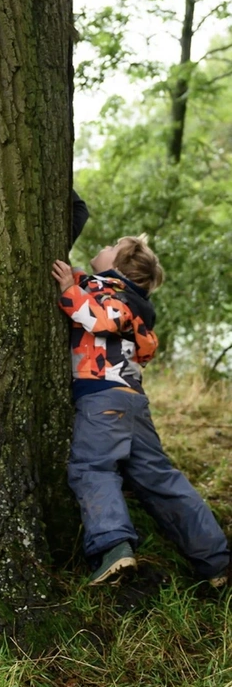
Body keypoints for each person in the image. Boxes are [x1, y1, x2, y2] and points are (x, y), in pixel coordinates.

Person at [52, 235, 230, 586]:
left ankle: (113, 545)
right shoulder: (131, 300)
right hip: (132, 402)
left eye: (111, 245)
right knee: (159, 478)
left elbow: (103, 319)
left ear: (118, 268)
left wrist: (69, 290)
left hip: (102, 398)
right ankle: (215, 559)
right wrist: (80, 279)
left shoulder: (112, 295)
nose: (103, 246)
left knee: (92, 467)